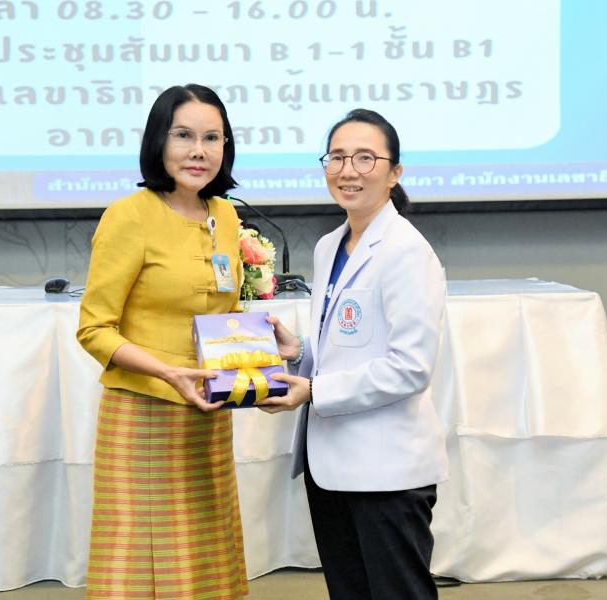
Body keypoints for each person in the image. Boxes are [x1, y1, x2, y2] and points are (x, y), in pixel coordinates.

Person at [257, 108, 448, 600]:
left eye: (365, 158)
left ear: (394, 172)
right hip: (331, 464)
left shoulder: (406, 250)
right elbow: (349, 344)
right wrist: (299, 351)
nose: (348, 171)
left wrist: (313, 389)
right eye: (337, 157)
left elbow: (410, 368)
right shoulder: (329, 245)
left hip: (387, 470)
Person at [76, 84, 248, 599]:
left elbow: (223, 313)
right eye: (184, 136)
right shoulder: (130, 215)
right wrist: (167, 372)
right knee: (143, 563)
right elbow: (94, 328)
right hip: (144, 415)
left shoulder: (225, 215)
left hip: (207, 411)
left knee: (205, 556)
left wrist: (262, 351)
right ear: (159, 141)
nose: (199, 151)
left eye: (212, 138)